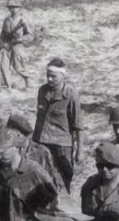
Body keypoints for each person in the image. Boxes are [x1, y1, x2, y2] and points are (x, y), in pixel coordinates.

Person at [32, 58, 84, 192]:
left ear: (63, 76)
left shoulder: (70, 94)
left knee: (64, 178)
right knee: (42, 176)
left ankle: (63, 204)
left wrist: (80, 151)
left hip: (62, 145)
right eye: (47, 75)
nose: (49, 79)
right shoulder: (42, 91)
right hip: (42, 141)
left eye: (53, 76)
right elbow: (40, 118)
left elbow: (78, 125)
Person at [0, 0, 33, 89]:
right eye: (11, 7)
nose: (13, 9)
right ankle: (8, 86)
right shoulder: (6, 20)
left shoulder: (23, 20)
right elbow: (2, 34)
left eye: (15, 7)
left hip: (17, 44)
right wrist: (1, 44)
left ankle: (27, 79)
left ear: (19, 8)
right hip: (7, 45)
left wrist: (21, 39)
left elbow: (31, 35)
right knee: (3, 66)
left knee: (18, 66)